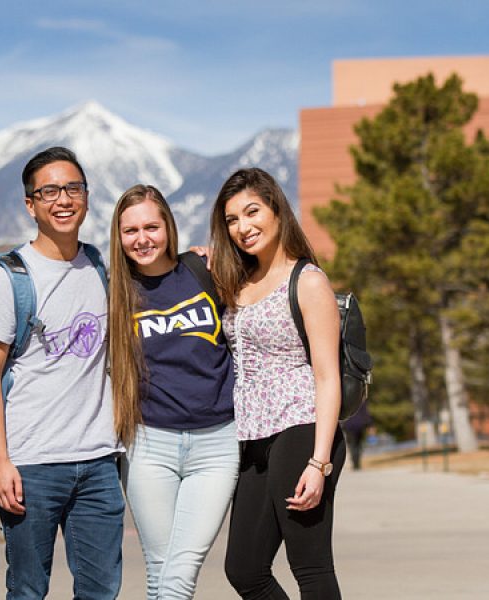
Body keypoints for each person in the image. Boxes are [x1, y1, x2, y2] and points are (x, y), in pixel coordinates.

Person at [0, 146, 124, 600]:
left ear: (86, 196)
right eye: (50, 191)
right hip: (32, 465)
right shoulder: (10, 279)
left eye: (73, 188)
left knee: (101, 592)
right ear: (31, 204)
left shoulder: (102, 266)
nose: (63, 200)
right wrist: (0, 461)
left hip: (100, 462)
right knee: (27, 591)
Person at [210, 168, 347, 599]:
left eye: (252, 212)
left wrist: (319, 462)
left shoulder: (308, 281)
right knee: (245, 569)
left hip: (300, 431)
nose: (243, 227)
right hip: (253, 438)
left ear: (276, 210)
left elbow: (327, 377)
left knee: (310, 566)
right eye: (232, 220)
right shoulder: (238, 281)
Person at [109, 184, 239, 599]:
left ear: (169, 226)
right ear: (118, 236)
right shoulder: (115, 290)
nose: (142, 238)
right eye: (130, 231)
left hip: (217, 444)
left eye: (151, 226)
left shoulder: (205, 272)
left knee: (180, 570)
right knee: (161, 569)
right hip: (149, 443)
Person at [342, 401, 371, 470]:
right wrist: (369, 424)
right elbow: (366, 413)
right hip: (359, 425)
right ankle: (357, 463)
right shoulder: (361, 401)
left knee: (352, 445)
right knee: (358, 445)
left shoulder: (346, 401)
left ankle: (355, 463)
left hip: (349, 425)